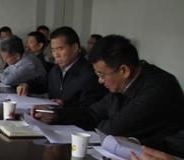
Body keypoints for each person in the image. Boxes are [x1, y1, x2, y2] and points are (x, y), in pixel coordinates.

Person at [32, 34, 184, 138]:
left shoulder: (158, 89)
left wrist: (101, 121)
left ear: (124, 71)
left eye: (102, 75)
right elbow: (93, 112)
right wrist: (56, 114)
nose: (100, 81)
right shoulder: (124, 84)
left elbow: (111, 129)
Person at [17, 26, 104, 109]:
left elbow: (90, 109)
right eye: (53, 50)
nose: (56, 55)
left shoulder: (89, 75)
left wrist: (64, 105)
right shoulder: (57, 69)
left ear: (75, 48)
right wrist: (26, 85)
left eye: (60, 49)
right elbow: (42, 81)